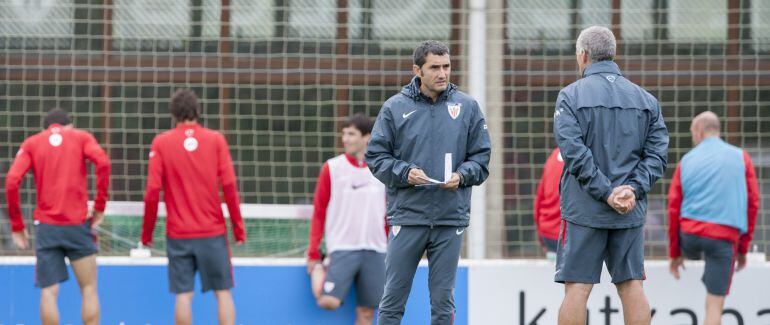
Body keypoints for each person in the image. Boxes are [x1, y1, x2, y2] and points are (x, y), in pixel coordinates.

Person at [365, 40, 491, 325]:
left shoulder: (468, 107)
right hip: (408, 216)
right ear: (417, 70)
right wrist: (404, 172)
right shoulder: (395, 107)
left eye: (446, 66)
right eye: (435, 67)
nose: (442, 73)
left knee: (443, 303)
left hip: (449, 218)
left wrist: (461, 176)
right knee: (393, 300)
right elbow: (375, 157)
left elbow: (482, 159)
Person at [553, 26, 668, 325]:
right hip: (629, 210)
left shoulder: (570, 96)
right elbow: (657, 156)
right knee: (632, 285)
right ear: (613, 54)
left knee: (577, 288)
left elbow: (574, 153)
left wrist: (606, 192)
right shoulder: (646, 100)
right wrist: (631, 189)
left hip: (583, 210)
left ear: (583, 55)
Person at [141, 89, 246, 325]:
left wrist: (146, 233)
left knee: (183, 295)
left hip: (179, 233)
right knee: (223, 292)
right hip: (212, 232)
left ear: (173, 114)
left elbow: (151, 192)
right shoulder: (215, 139)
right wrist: (238, 229)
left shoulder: (162, 142)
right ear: (198, 111)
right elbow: (229, 186)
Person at [5, 108, 111, 325]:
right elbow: (104, 163)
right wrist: (100, 206)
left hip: (47, 227)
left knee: (49, 292)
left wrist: (17, 224)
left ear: (45, 129)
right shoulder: (81, 137)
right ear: (69, 126)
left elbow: (12, 180)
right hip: (77, 225)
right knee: (89, 289)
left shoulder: (33, 143)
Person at [667, 111, 759, 325]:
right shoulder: (741, 158)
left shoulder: (686, 160)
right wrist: (742, 248)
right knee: (714, 305)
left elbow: (673, 206)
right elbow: (753, 203)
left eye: (692, 133)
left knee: (700, 253)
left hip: (689, 237)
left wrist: (675, 253)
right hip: (722, 238)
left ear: (699, 130)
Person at [306, 113, 388, 325]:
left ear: (367, 137)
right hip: (342, 247)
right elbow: (319, 212)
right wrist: (314, 252)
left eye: (351, 134)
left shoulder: (382, 170)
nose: (345, 139)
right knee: (328, 301)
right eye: (344, 134)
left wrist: (392, 247)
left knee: (367, 313)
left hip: (376, 250)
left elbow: (389, 214)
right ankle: (319, 269)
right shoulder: (332, 168)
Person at [534, 147, 564, 253]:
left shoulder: (554, 155)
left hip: (547, 232)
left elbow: (539, 198)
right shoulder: (584, 157)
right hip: (569, 235)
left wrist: (540, 234)